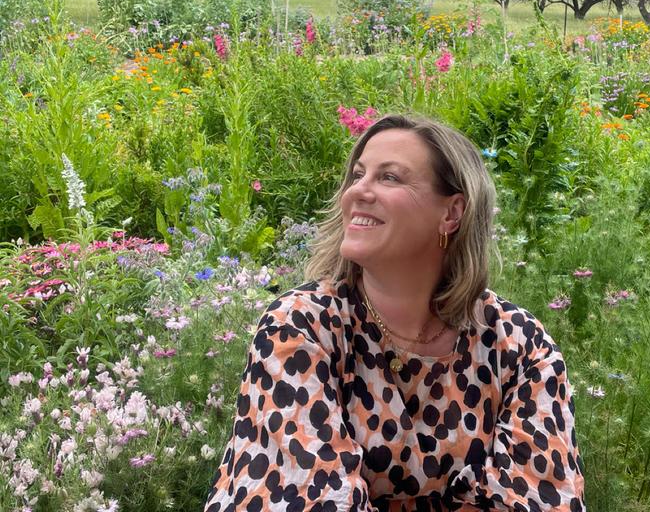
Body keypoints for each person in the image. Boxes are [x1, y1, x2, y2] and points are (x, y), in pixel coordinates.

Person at [204, 114, 585, 512]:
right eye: (357, 175)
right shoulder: (301, 327)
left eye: (389, 178)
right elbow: (307, 501)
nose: (357, 192)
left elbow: (545, 499)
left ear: (452, 213)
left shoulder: (518, 344)